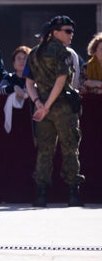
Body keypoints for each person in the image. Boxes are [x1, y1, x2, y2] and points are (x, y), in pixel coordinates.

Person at [25, 15, 84, 208]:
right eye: (67, 31)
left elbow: (29, 83)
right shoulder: (63, 52)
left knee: (44, 150)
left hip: (42, 108)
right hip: (63, 108)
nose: (71, 35)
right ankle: (73, 194)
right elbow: (61, 80)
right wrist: (47, 105)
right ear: (55, 32)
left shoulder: (34, 52)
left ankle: (41, 195)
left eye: (72, 31)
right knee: (69, 149)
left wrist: (39, 104)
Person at [0, 45, 32, 133]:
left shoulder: (34, 79)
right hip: (13, 119)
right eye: (19, 58)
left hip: (30, 121)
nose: (22, 61)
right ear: (14, 62)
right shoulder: (9, 78)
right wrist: (13, 88)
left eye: (25, 58)